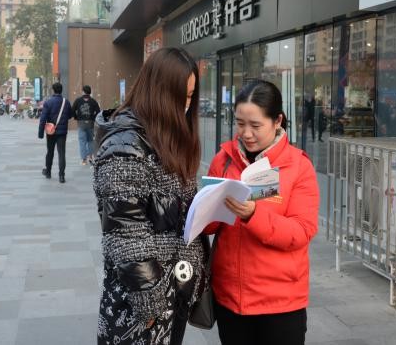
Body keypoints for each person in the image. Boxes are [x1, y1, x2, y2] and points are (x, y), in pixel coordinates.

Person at [93, 47, 207, 345]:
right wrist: (152, 305)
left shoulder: (166, 134)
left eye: (190, 96)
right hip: (142, 302)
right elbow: (125, 236)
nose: (186, 105)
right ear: (158, 93)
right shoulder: (125, 145)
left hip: (173, 288)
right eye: (181, 96)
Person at [204, 80, 319, 345]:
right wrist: (204, 209)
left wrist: (253, 215)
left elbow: (301, 231)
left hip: (280, 303)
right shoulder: (224, 159)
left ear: (277, 121)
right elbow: (210, 227)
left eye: (255, 126)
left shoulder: (297, 166)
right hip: (231, 299)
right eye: (240, 123)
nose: (246, 133)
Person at [38, 82, 72, 183]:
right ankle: (61, 176)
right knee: (61, 153)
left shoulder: (48, 102)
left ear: (53, 90)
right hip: (62, 132)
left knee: (50, 152)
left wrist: (40, 133)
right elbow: (70, 115)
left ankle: (48, 172)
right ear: (61, 90)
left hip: (51, 131)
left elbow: (43, 119)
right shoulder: (66, 102)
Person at [72, 85, 100, 165]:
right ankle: (90, 157)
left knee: (82, 141)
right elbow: (98, 112)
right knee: (90, 140)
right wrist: (93, 118)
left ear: (83, 92)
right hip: (90, 123)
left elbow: (72, 110)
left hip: (81, 123)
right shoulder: (93, 101)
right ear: (90, 92)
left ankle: (84, 160)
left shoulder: (78, 100)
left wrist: (76, 117)